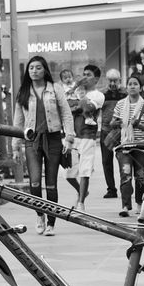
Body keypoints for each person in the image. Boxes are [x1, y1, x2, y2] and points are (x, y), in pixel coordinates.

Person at [12, 55, 75, 237]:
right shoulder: (23, 92)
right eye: (31, 68)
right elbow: (18, 121)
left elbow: (66, 114)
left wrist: (69, 139)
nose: (34, 71)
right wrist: (15, 145)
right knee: (34, 182)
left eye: (38, 67)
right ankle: (39, 214)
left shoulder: (55, 89)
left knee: (51, 184)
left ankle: (51, 223)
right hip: (32, 140)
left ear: (45, 70)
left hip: (53, 138)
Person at [110, 75, 144, 217]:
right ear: (126, 87)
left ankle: (139, 204)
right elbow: (112, 122)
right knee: (125, 174)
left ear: (140, 87)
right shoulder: (120, 104)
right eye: (129, 84)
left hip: (141, 147)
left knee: (140, 176)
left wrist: (139, 125)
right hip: (124, 146)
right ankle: (125, 205)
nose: (132, 86)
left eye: (135, 84)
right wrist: (116, 123)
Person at [65, 77, 102, 212]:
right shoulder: (73, 97)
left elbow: (84, 107)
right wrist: (75, 105)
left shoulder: (97, 96)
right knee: (68, 174)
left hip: (88, 137)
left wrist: (76, 106)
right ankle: (82, 192)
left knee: (84, 171)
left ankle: (81, 203)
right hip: (73, 138)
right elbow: (65, 108)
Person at [99, 69, 126, 199]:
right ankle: (111, 189)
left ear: (120, 80)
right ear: (106, 80)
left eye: (115, 80)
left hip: (122, 131)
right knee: (106, 161)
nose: (113, 83)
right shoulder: (102, 94)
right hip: (106, 130)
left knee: (124, 160)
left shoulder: (125, 93)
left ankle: (125, 187)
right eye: (110, 80)